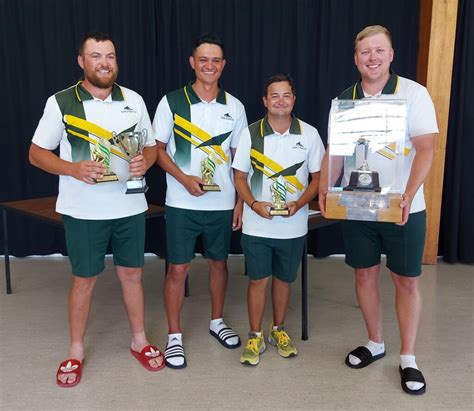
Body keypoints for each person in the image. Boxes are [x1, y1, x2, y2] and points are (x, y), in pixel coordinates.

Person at [29, 32, 163, 387]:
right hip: (83, 209)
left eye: (110, 56)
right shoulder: (61, 102)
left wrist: (144, 163)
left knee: (132, 274)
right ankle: (75, 351)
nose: (105, 63)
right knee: (84, 279)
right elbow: (36, 153)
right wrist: (73, 168)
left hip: (130, 205)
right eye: (96, 56)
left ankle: (140, 340)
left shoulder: (133, 99)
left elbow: (148, 148)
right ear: (81, 61)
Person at [319, 25, 438, 395]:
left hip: (403, 207)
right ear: (356, 59)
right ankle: (375, 342)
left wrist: (408, 194)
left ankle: (408, 357)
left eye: (379, 50)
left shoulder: (413, 94)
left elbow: (426, 147)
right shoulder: (345, 99)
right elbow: (335, 151)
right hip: (357, 205)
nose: (372, 57)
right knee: (364, 275)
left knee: (406, 280)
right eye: (365, 52)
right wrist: (325, 189)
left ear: (391, 54)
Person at [152, 32, 247, 369]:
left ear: (223, 65)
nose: (209, 65)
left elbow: (240, 160)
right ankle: (174, 336)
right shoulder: (172, 102)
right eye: (203, 59)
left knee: (219, 264)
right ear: (192, 63)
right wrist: (184, 179)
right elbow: (158, 151)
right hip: (182, 203)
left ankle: (216, 321)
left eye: (215, 60)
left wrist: (240, 201)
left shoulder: (235, 107)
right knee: (178, 268)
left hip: (221, 204)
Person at [233, 74, 325, 366]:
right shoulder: (250, 133)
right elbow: (239, 176)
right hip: (257, 223)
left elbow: (317, 178)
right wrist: (252, 203)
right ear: (265, 101)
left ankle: (278, 330)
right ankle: (255, 334)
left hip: (293, 224)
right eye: (274, 95)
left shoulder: (309, 134)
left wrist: (300, 203)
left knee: (284, 281)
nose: (281, 101)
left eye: (286, 95)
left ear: (293, 99)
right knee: (258, 280)